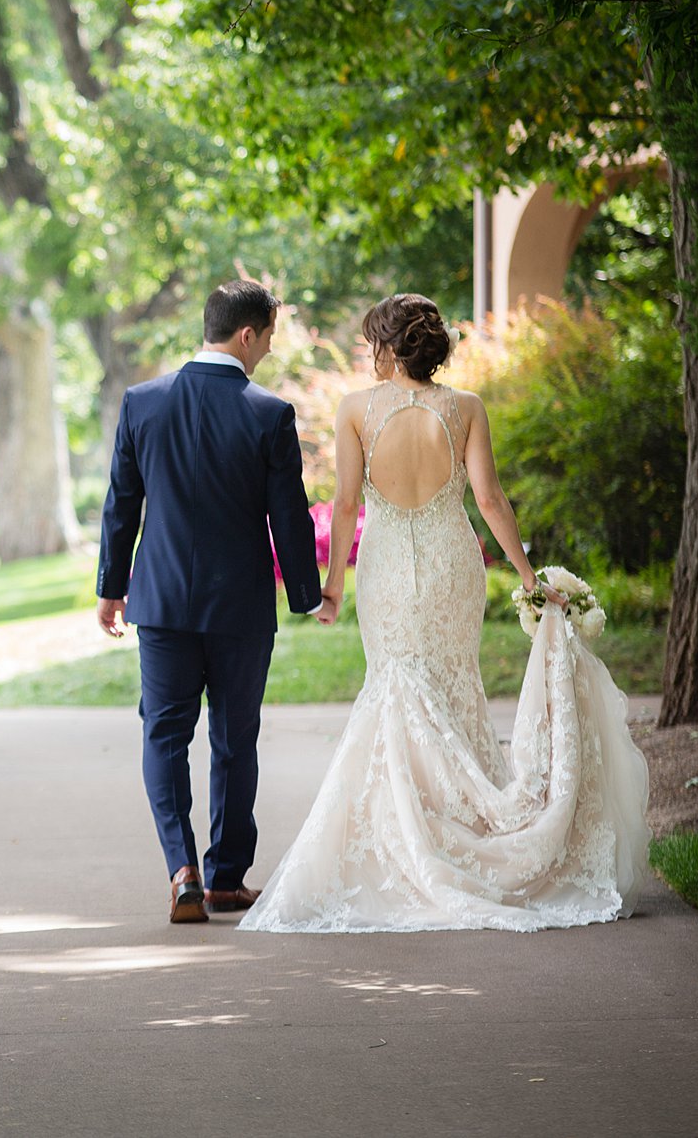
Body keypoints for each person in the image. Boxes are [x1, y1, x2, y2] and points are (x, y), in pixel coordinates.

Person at [238, 293, 651, 933]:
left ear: (387, 345)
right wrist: (526, 577)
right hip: (452, 562)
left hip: (386, 571)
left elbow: (346, 506)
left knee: (396, 685)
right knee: (454, 684)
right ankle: (470, 825)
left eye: (373, 341)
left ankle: (414, 839)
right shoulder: (464, 409)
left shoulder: (355, 411)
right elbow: (488, 498)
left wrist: (334, 588)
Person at [97, 278, 324, 924]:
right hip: (240, 607)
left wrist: (111, 587)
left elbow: (122, 504)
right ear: (247, 333)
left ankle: (182, 870)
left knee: (164, 733)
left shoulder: (142, 402)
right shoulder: (267, 412)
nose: (268, 353)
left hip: (162, 600)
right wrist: (308, 596)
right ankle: (227, 876)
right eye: (269, 338)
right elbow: (290, 517)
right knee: (234, 737)